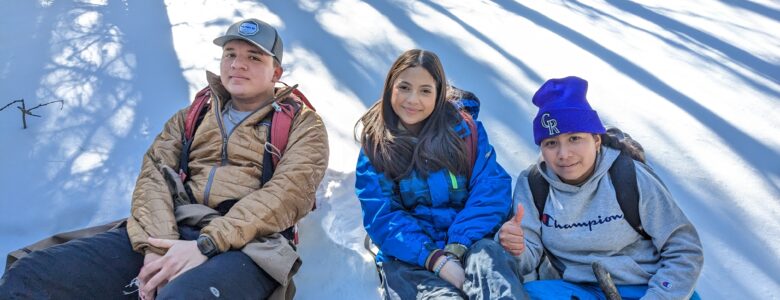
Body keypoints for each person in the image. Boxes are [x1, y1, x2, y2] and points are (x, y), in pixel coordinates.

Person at [0, 18, 329, 299]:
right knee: (33, 275)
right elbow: (154, 177)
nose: (236, 64)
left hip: (250, 245)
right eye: (230, 54)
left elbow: (289, 193)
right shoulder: (191, 116)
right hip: (167, 230)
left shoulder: (303, 124)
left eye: (253, 57)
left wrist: (206, 244)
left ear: (276, 72)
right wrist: (159, 248)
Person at [498, 76, 703, 299]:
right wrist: (516, 248)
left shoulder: (629, 176)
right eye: (551, 143)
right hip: (581, 290)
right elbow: (527, 258)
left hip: (647, 287)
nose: (564, 154)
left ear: (596, 140)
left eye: (574, 138)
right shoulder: (533, 184)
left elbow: (684, 249)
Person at [355, 49, 528, 299]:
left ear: (438, 95)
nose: (413, 99)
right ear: (390, 88)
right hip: (410, 256)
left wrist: (459, 244)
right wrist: (435, 259)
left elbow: (490, 189)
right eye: (404, 87)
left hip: (474, 244)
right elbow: (382, 216)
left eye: (425, 90)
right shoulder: (376, 146)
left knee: (499, 287)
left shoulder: (465, 132)